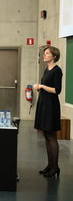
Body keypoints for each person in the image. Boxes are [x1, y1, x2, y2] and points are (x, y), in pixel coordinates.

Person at [34, 46, 63, 178]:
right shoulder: (46, 70)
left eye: (47, 53)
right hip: (44, 104)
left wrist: (42, 86)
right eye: (44, 53)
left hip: (51, 106)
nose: (44, 55)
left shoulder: (57, 71)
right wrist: (39, 88)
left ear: (54, 56)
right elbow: (46, 88)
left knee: (51, 136)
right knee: (46, 135)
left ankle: (55, 167)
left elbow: (57, 90)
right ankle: (50, 165)